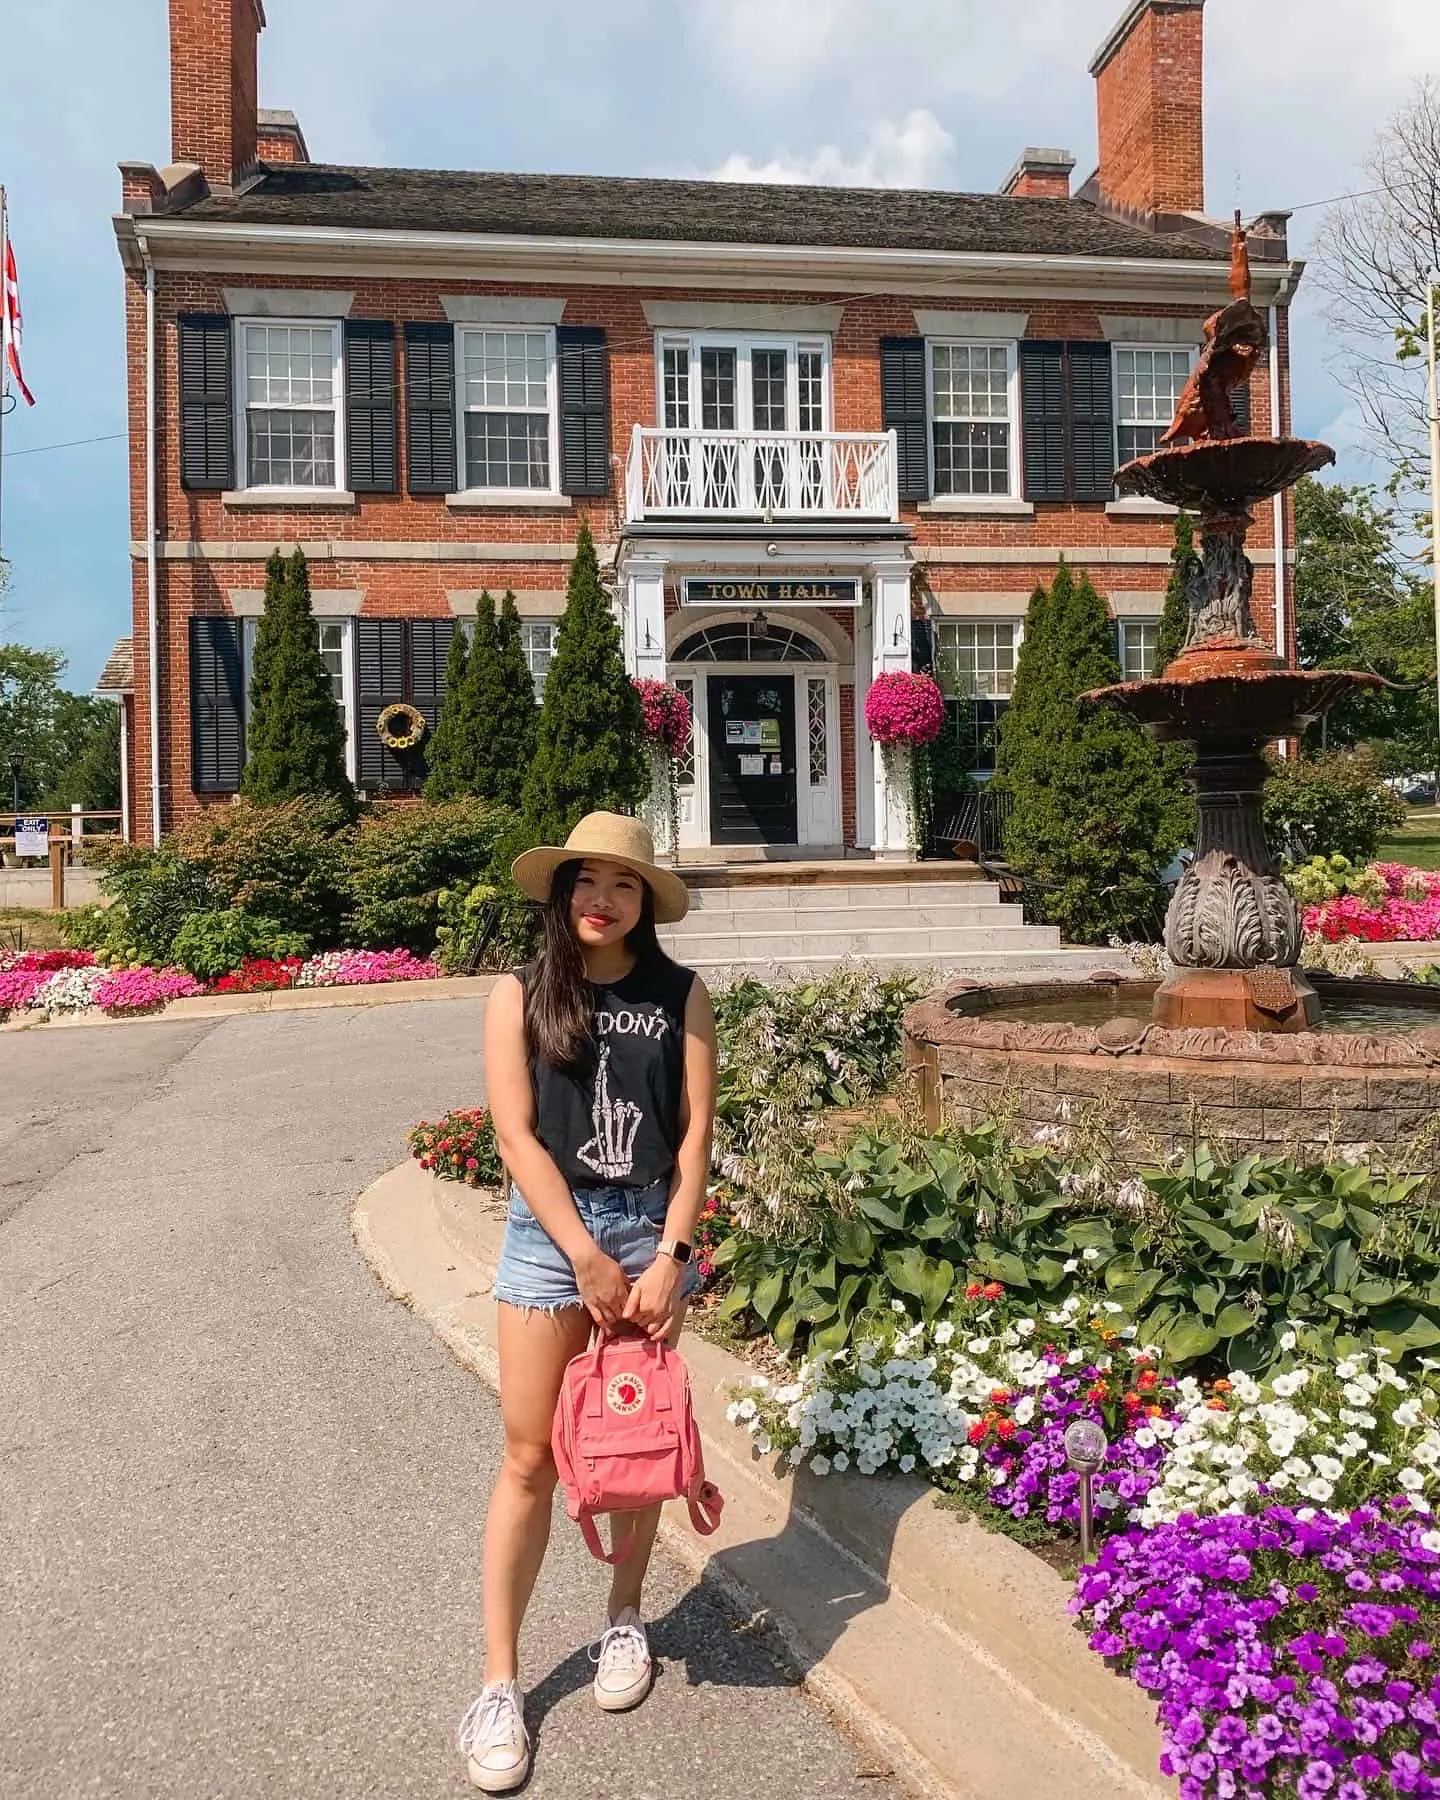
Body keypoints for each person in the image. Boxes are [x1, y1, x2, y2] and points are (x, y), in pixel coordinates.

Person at [456, 812, 717, 1794]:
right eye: (585, 882)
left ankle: (623, 1618)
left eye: (622, 884)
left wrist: (669, 1257)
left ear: (645, 900)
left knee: (638, 1452)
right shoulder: (518, 994)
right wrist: (582, 1255)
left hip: (649, 1234)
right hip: (547, 1238)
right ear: (561, 895)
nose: (601, 899)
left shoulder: (681, 995)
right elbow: (517, 1138)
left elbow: (693, 1141)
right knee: (527, 1457)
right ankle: (498, 1683)